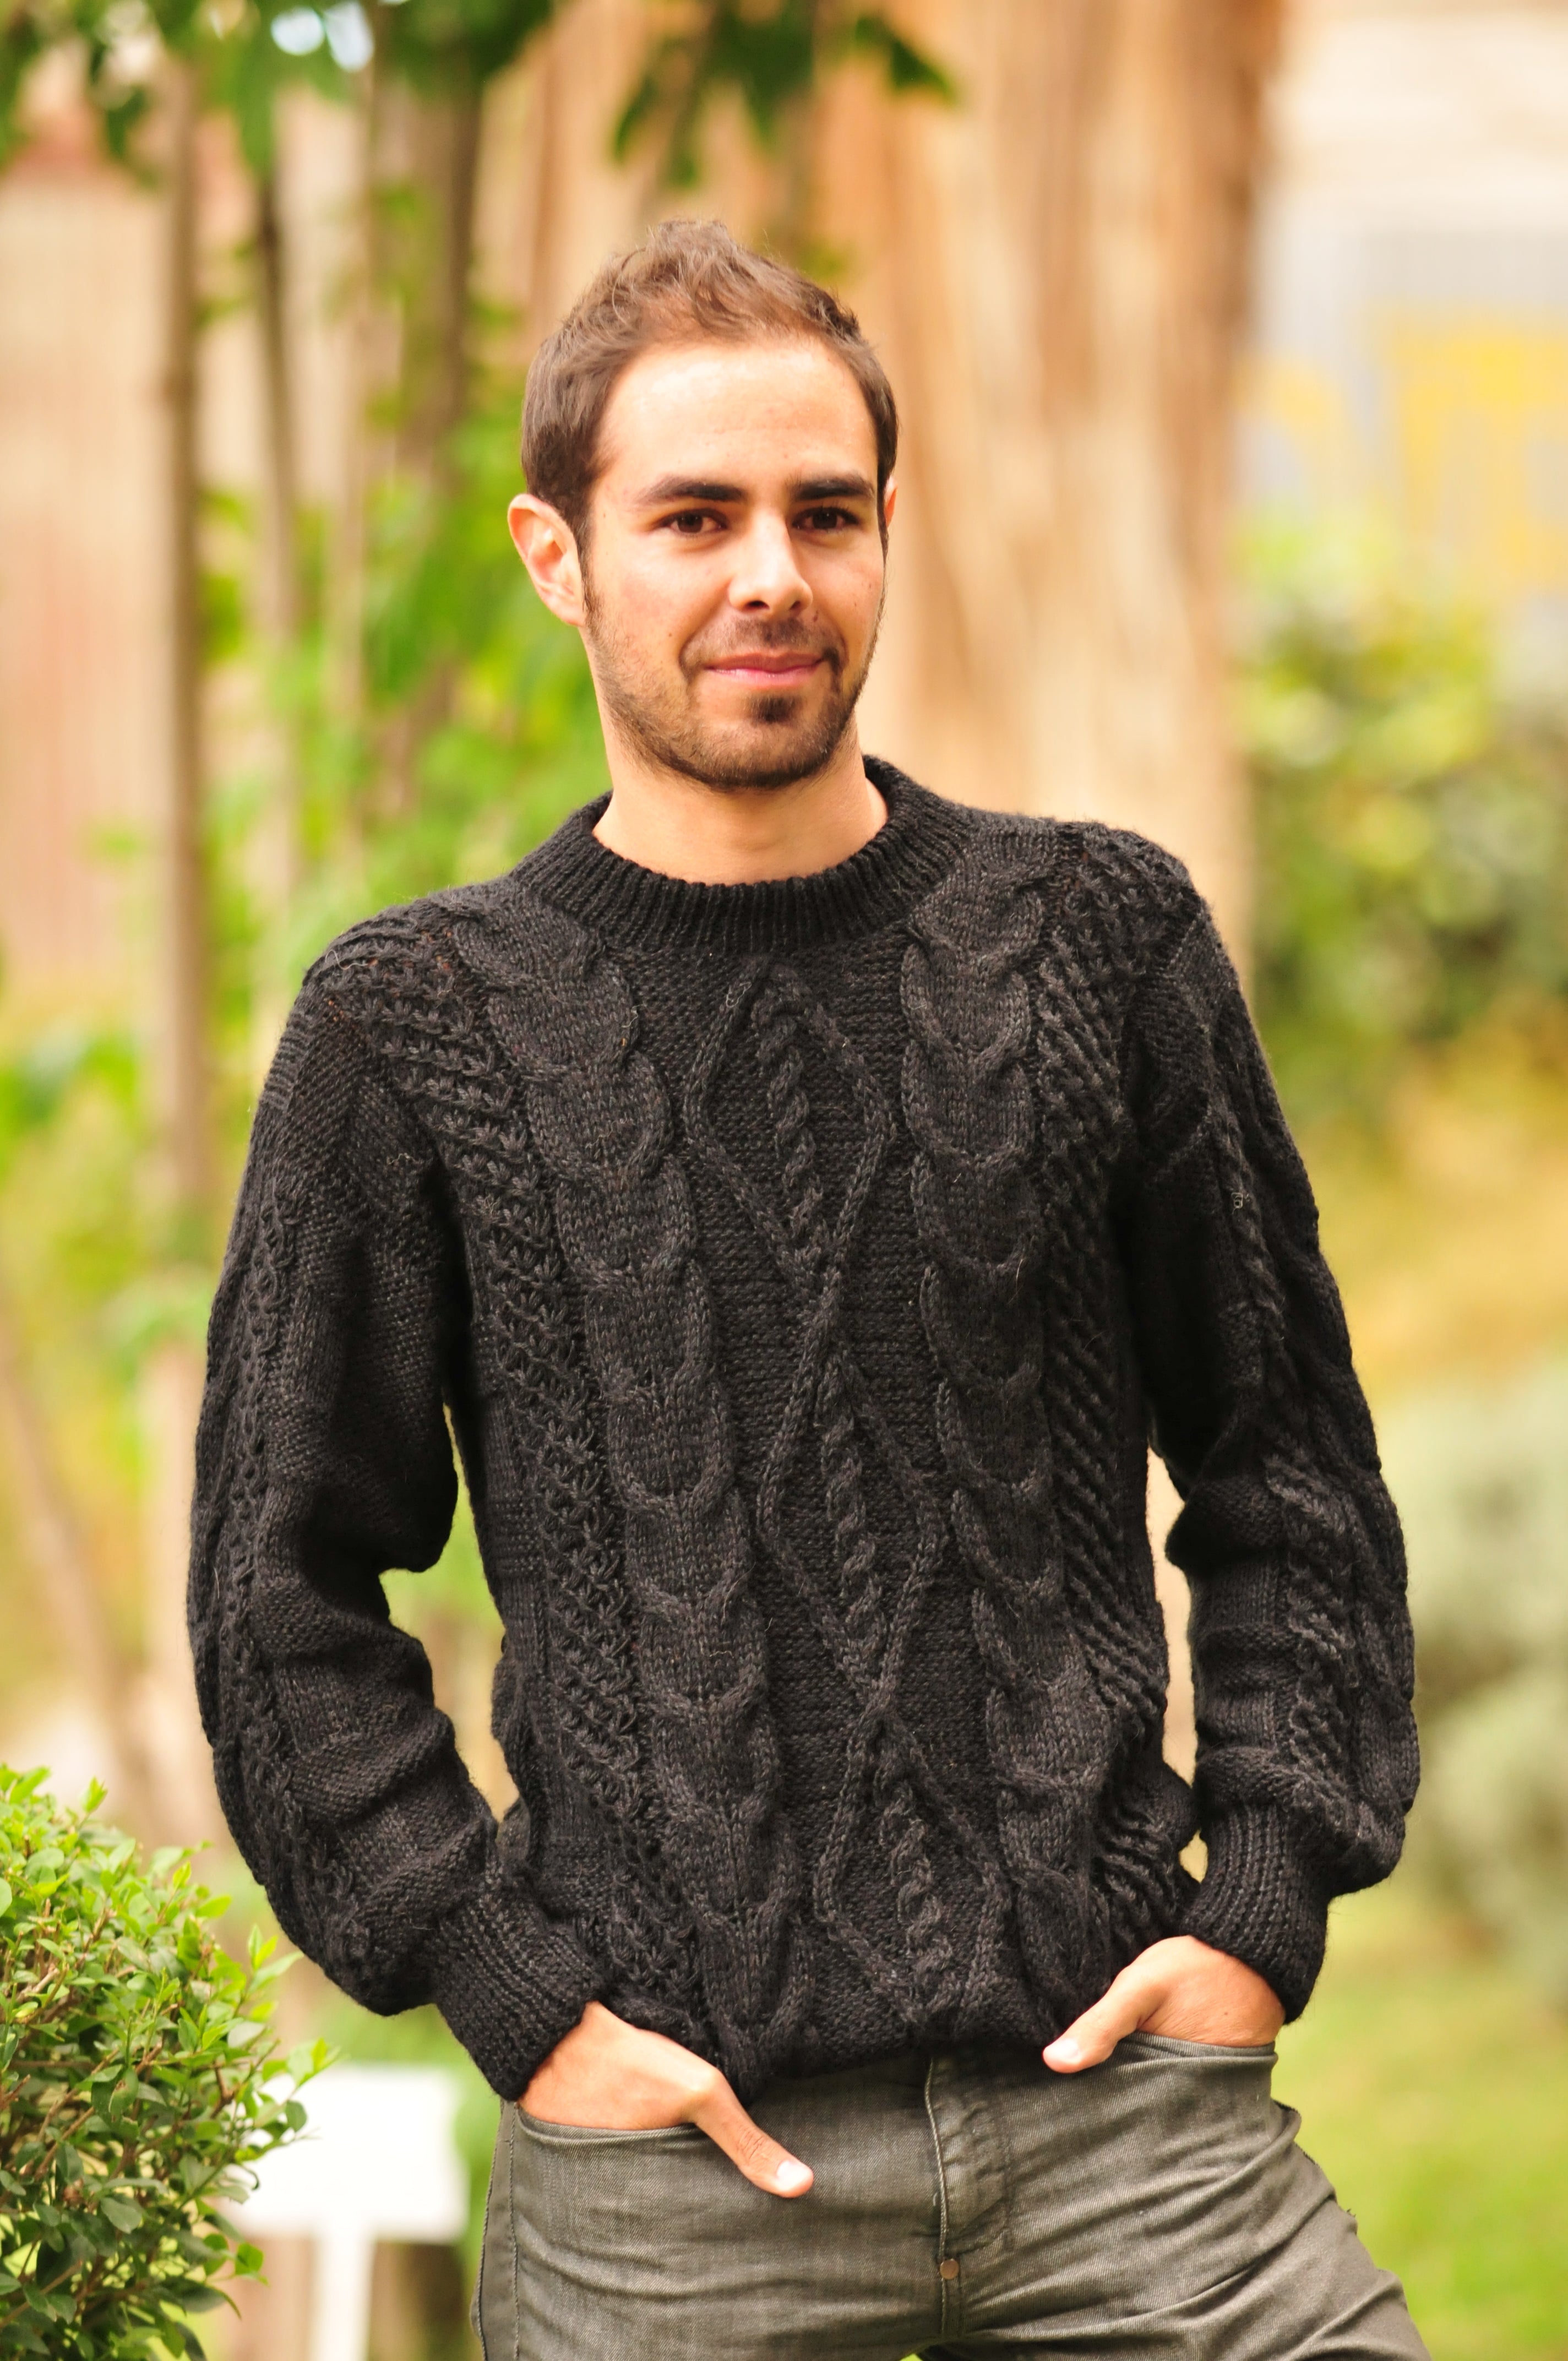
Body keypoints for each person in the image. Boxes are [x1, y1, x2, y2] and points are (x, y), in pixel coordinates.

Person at [189, 219, 1427, 2359]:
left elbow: (1286, 1463)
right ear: (559, 555)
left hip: (1131, 2134)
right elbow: (274, 1591)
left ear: (883, 535)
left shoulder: (1096, 944)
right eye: (695, 517)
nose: (771, 573)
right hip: (670, 2187)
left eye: (823, 514)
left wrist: (1262, 1902)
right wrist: (510, 1988)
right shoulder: (416, 1028)